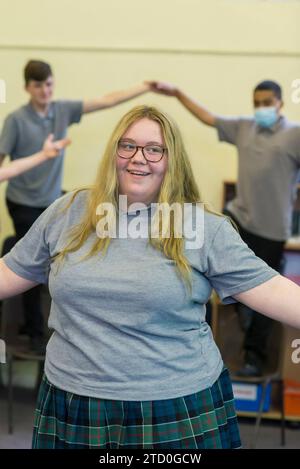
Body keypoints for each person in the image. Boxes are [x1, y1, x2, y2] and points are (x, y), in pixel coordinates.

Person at [0, 105, 299, 449]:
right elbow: (10, 271)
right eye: (127, 146)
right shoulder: (68, 211)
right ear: (115, 152)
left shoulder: (203, 227)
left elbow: (274, 290)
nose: (138, 158)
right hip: (73, 401)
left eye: (154, 149)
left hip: (174, 404)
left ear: (172, 159)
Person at [149, 79, 300, 377]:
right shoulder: (244, 127)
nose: (261, 108)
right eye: (257, 102)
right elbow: (208, 118)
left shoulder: (294, 134)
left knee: (263, 296)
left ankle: (253, 356)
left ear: (281, 103)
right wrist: (178, 92)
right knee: (201, 266)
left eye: (267, 102)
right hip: (238, 217)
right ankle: (193, 342)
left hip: (272, 229)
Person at [0, 59, 151, 354]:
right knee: (31, 266)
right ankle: (34, 331)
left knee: (61, 259)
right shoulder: (16, 120)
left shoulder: (61, 110)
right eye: (38, 85)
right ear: (26, 88)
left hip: (51, 199)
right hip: (23, 202)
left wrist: (144, 87)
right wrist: (42, 156)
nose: (45, 90)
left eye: (49, 84)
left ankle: (59, 326)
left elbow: (106, 100)